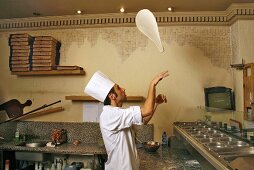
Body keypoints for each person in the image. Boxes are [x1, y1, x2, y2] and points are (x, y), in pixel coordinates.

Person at [84, 70, 169, 170]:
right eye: (119, 88)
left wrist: (155, 103)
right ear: (112, 96)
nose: (123, 89)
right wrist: (152, 84)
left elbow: (143, 120)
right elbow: (147, 110)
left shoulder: (116, 113)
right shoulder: (110, 114)